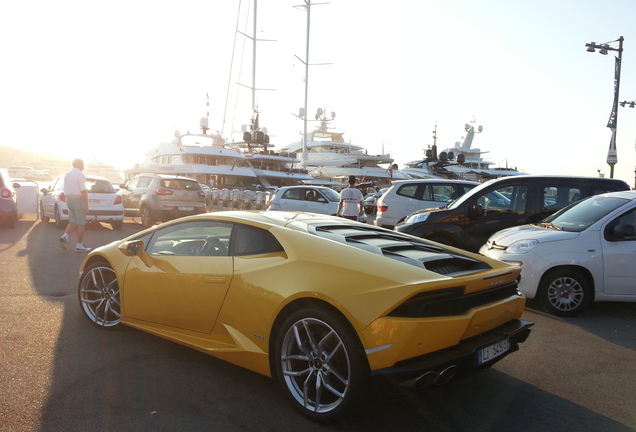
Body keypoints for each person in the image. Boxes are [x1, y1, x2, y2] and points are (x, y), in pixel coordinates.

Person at [59, 159, 91, 252]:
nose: (84, 167)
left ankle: (65, 236)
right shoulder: (80, 175)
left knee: (73, 222)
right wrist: (87, 205)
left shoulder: (67, 174)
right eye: (83, 165)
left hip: (69, 199)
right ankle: (79, 246)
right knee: (81, 223)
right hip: (78, 199)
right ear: (80, 165)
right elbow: (83, 191)